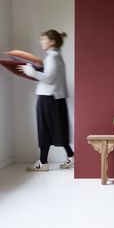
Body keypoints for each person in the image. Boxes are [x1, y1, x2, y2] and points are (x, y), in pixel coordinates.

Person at [18, 29, 74, 171]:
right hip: (55, 98)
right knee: (57, 129)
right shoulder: (56, 56)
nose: (41, 42)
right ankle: (70, 155)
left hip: (48, 98)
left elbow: (49, 78)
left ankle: (43, 163)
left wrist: (31, 72)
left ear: (52, 41)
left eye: (44, 39)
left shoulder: (53, 57)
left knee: (45, 129)